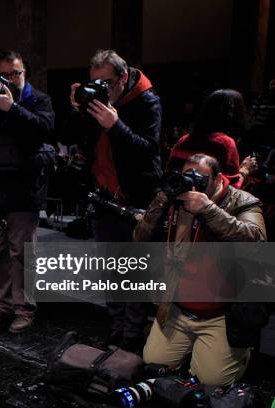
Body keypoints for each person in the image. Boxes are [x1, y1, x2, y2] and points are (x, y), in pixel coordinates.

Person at [135, 153, 269, 385]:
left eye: (200, 178)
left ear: (217, 179)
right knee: (152, 362)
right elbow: (139, 237)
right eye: (187, 177)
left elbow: (257, 243)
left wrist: (208, 209)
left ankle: (241, 352)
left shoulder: (242, 200)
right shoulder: (173, 198)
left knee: (211, 379)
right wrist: (159, 203)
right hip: (177, 307)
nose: (192, 184)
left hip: (221, 315)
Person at [69, 49, 163, 352]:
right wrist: (79, 110)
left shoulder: (148, 101)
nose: (100, 89)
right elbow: (79, 141)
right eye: (94, 82)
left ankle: (133, 334)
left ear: (123, 77)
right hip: (103, 197)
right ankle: (117, 326)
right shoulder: (96, 99)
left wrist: (116, 125)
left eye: (106, 83)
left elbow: (148, 150)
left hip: (136, 198)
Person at [0, 50, 54, 333]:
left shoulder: (38, 100)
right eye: (3, 75)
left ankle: (25, 308)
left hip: (23, 189)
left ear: (25, 73)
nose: (10, 79)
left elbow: (44, 129)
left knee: (22, 253)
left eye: (16, 73)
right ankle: (4, 304)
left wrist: (12, 108)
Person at [166, 89, 257, 189]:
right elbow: (229, 189)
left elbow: (169, 176)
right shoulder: (225, 143)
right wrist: (244, 171)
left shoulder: (183, 140)